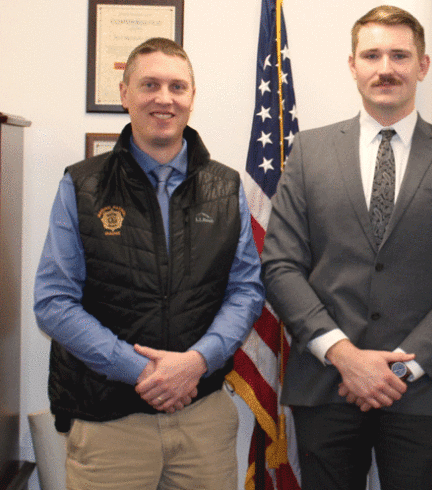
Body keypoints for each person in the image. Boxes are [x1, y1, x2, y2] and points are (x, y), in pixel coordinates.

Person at [261, 5, 432, 490]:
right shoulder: (308, 152)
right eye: (371, 55)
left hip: (420, 393)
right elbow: (281, 265)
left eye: (399, 55)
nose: (385, 68)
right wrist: (344, 355)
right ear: (353, 65)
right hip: (327, 385)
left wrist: (404, 367)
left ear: (423, 65)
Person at [34, 37, 265, 489]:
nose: (164, 98)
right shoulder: (81, 185)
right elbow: (53, 302)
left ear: (192, 98)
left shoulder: (226, 186)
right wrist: (143, 371)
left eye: (177, 86)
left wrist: (198, 362)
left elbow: (246, 289)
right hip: (108, 424)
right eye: (149, 85)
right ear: (125, 94)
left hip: (202, 420)